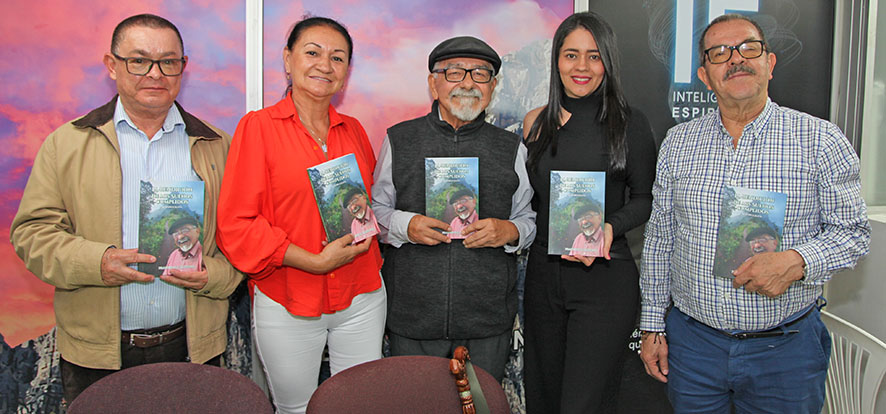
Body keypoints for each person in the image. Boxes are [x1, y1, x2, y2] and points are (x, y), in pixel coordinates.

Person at [639, 14, 871, 413]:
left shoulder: (820, 140)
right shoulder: (678, 143)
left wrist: (798, 260)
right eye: (720, 53)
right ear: (704, 75)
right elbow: (661, 238)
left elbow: (853, 233)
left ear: (770, 62)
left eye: (749, 48)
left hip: (787, 351)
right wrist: (652, 324)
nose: (736, 59)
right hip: (694, 347)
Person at [9, 14, 242, 403]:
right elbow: (32, 233)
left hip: (192, 346)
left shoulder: (218, 145)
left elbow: (243, 235)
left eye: (169, 62)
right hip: (96, 354)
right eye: (139, 60)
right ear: (111, 65)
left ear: (183, 68)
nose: (155, 73)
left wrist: (214, 275)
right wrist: (96, 261)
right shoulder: (66, 144)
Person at [216, 17, 385, 414]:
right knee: (296, 408)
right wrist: (311, 260)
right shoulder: (257, 128)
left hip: (362, 292)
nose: (325, 65)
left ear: (346, 74)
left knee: (359, 404)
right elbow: (237, 223)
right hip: (289, 294)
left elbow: (367, 202)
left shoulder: (354, 130)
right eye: (313, 53)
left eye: (337, 58)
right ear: (287, 60)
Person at [371, 36, 536, 382]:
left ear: (493, 86)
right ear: (433, 83)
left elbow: (527, 218)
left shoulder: (510, 147)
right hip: (414, 319)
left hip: (486, 322)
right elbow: (375, 211)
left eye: (480, 74)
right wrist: (406, 224)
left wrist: (510, 231)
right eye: (454, 72)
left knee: (482, 406)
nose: (467, 83)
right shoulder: (399, 139)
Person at [521, 11, 657, 413]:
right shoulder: (536, 123)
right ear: (556, 61)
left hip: (605, 282)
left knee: (585, 403)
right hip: (544, 279)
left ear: (608, 62)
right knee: (543, 396)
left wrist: (611, 227)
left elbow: (644, 199)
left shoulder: (629, 124)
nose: (581, 67)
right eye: (571, 55)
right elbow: (530, 202)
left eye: (594, 56)